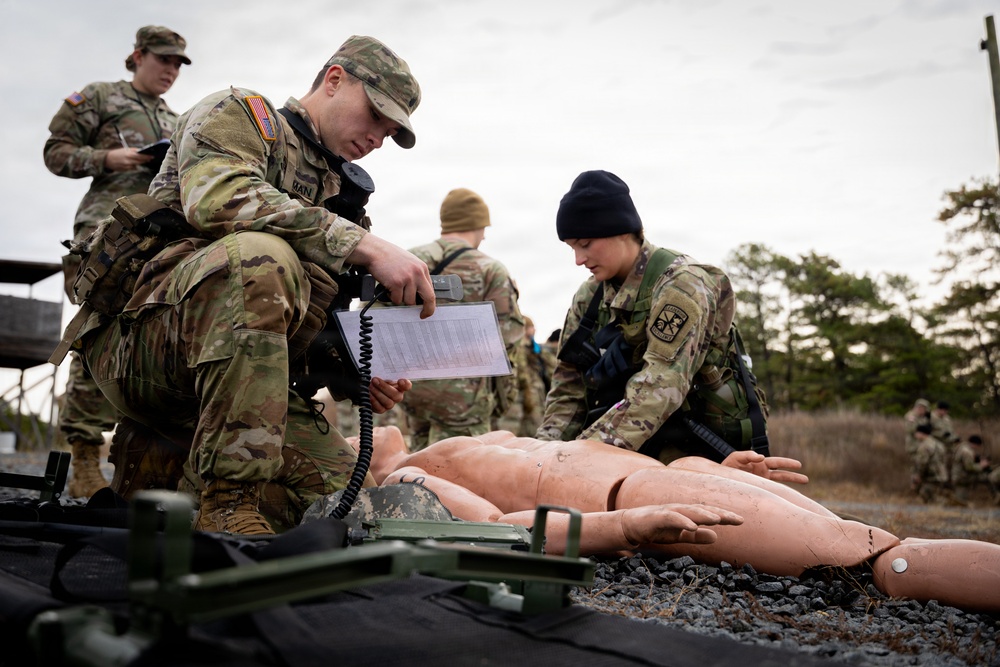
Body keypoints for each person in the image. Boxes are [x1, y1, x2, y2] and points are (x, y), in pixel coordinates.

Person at [53, 35, 437, 535]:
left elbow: (300, 318)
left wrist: (355, 375)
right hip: (145, 345)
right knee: (260, 257)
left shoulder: (338, 192)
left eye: (389, 132)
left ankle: (169, 478)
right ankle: (228, 506)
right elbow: (218, 197)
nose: (377, 139)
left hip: (233, 389)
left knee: (343, 506)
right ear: (334, 80)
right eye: (375, 116)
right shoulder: (242, 114)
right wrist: (366, 246)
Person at [360, 426, 1000, 614]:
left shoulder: (446, 442)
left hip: (655, 472)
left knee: (869, 546)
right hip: (624, 495)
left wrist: (710, 463)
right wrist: (624, 527)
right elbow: (503, 528)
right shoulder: (402, 480)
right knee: (879, 561)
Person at [43, 26, 191, 498]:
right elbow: (55, 153)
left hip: (160, 239)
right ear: (138, 56)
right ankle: (84, 454)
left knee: (153, 337)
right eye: (164, 60)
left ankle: (136, 456)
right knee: (97, 330)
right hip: (105, 235)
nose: (170, 70)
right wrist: (108, 158)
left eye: (177, 64)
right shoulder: (100, 97)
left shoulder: (177, 120)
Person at [536, 170, 767, 463]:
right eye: (571, 248)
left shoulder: (681, 285)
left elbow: (661, 383)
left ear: (621, 230)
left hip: (705, 451)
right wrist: (541, 455)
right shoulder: (589, 298)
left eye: (585, 244)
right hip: (629, 450)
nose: (578, 260)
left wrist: (583, 455)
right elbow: (569, 389)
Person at [401, 188, 525, 450]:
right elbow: (506, 341)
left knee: (418, 461)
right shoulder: (490, 269)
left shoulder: (409, 260)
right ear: (478, 225)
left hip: (411, 390)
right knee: (464, 469)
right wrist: (501, 398)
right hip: (465, 396)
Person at [912, 423, 949, 504]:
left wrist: (918, 475)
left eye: (916, 433)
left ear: (921, 433)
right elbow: (944, 459)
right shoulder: (939, 444)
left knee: (927, 496)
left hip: (931, 475)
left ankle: (948, 506)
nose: (915, 435)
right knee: (933, 495)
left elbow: (922, 463)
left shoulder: (925, 446)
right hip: (941, 474)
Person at [951, 434, 992, 504]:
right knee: (990, 478)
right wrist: (982, 465)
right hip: (963, 477)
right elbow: (969, 467)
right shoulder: (967, 452)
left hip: (957, 475)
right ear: (975, 444)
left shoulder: (961, 447)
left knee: (961, 499)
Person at [902, 398, 931, 492]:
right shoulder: (911, 416)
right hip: (914, 446)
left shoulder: (924, 417)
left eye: (924, 408)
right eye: (920, 408)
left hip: (922, 446)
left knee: (921, 466)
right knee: (916, 466)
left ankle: (918, 488)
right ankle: (914, 488)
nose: (922, 410)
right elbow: (910, 430)